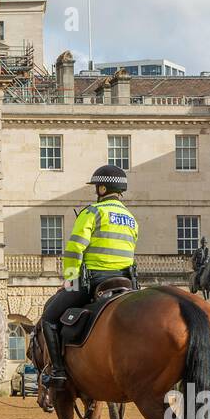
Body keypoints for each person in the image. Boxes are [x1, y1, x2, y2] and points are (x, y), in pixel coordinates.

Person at [39, 164, 138, 389]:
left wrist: (70, 279)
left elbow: (75, 249)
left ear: (102, 188)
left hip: (95, 280)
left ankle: (58, 371)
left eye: (96, 187)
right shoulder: (131, 218)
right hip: (125, 281)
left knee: (49, 317)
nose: (95, 191)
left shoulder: (93, 212)